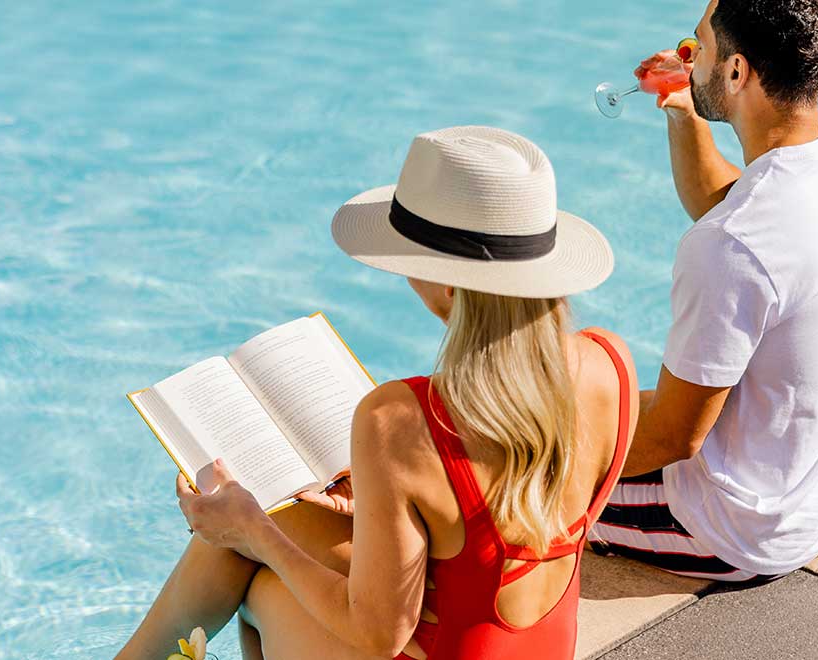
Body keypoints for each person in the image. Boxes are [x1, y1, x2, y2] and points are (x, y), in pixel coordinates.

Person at [116, 125, 640, 659]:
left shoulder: (399, 419)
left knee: (259, 577)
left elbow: (378, 634)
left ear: (449, 284)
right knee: (280, 520)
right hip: (543, 646)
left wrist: (255, 535)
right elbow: (504, 526)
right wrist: (381, 504)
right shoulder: (611, 363)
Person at [589, 0, 818, 582]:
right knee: (589, 401)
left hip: (737, 528)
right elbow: (729, 205)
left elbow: (674, 438)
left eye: (699, 44)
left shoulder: (731, 246)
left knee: (501, 490)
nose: (686, 53)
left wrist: (538, 473)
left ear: (736, 71)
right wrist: (686, 111)